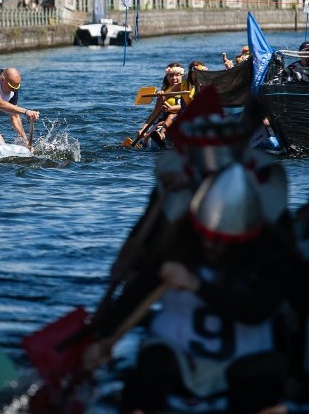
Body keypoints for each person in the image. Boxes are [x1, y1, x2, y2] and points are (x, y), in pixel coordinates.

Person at [113, 163, 301, 414]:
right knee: (150, 368)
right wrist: (102, 337)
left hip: (244, 363)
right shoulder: (179, 246)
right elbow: (134, 295)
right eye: (208, 238)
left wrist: (197, 285)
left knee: (267, 374)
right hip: (179, 358)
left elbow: (257, 310)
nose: (213, 246)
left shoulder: (268, 257)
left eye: (223, 242)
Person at [136, 62, 186, 148]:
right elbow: (154, 114)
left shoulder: (189, 91)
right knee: (166, 119)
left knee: (173, 115)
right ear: (167, 77)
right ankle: (150, 137)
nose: (174, 78)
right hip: (165, 121)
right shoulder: (163, 93)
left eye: (177, 75)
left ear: (182, 76)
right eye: (171, 75)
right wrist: (142, 129)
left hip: (183, 120)